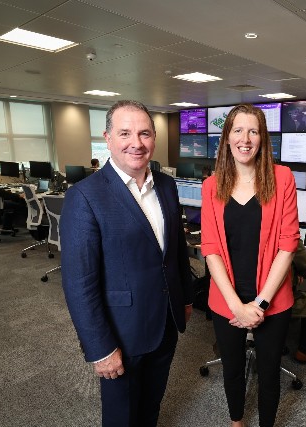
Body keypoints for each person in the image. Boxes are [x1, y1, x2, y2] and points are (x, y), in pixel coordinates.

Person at [60, 100, 193, 427]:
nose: (137, 142)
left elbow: (176, 249)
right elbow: (79, 284)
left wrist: (185, 297)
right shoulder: (85, 196)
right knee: (122, 416)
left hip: (165, 321)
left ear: (154, 138)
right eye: (125, 133)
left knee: (151, 407)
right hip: (122, 331)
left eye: (144, 133)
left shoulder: (166, 185)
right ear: (107, 138)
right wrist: (100, 348)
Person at [200, 104, 299, 427]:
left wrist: (260, 303)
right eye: (238, 130)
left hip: (272, 298)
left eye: (253, 131)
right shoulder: (211, 185)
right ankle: (237, 422)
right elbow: (211, 249)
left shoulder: (282, 178)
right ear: (227, 138)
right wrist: (236, 306)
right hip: (226, 298)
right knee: (232, 368)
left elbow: (288, 244)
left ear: (262, 138)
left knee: (269, 371)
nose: (245, 139)